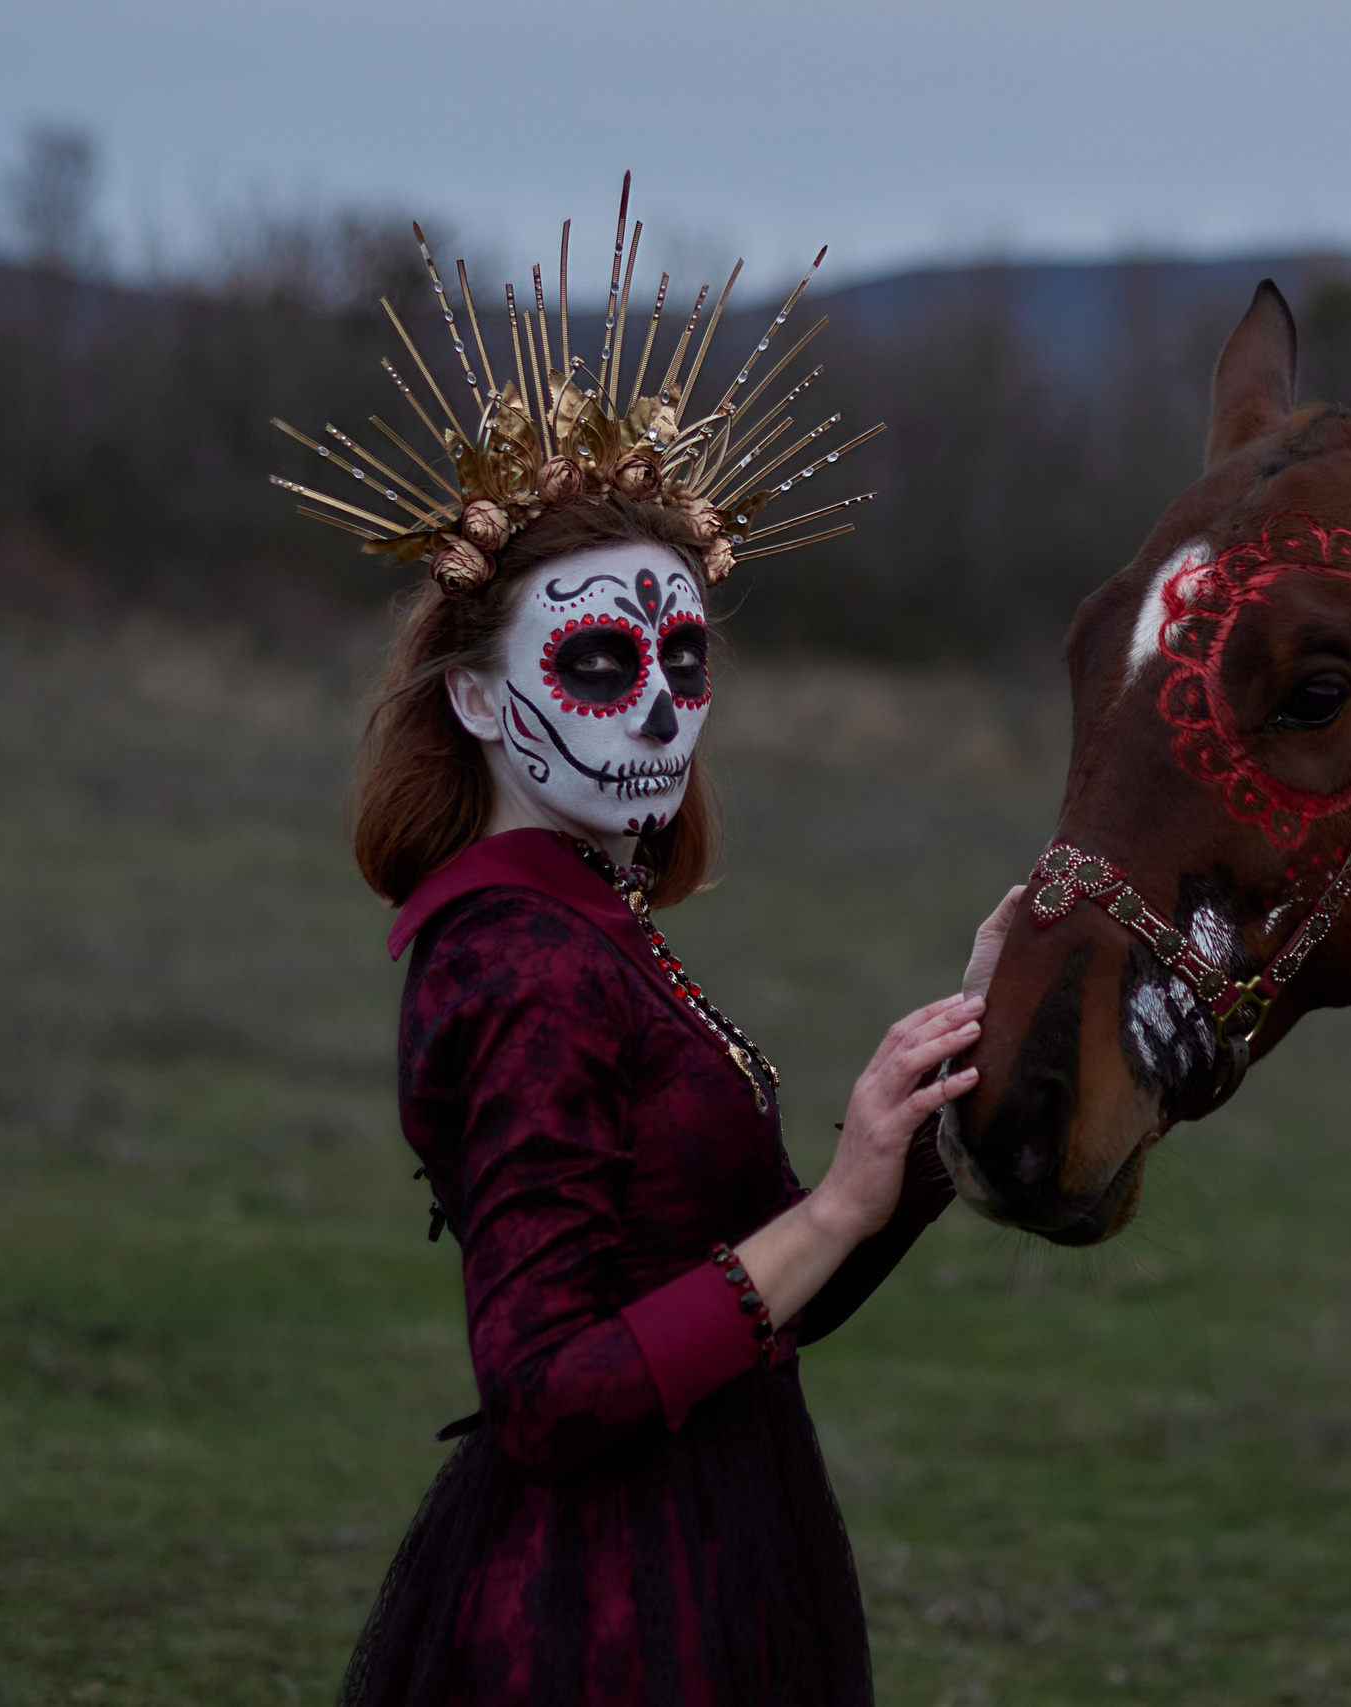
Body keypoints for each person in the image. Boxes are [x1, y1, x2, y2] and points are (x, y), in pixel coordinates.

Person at [276, 214, 1014, 1705]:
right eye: (600, 666)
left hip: (723, 1559)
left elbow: (750, 1301)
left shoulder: (589, 920)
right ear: (481, 702)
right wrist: (841, 1210)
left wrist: (924, 1108)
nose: (662, 710)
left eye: (685, 663)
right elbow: (546, 1393)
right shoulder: (516, 962)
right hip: (602, 1622)